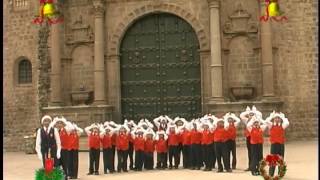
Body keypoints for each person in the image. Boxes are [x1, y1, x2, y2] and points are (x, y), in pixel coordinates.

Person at [265, 111, 289, 176]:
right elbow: (266, 121)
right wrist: (271, 116)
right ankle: (271, 173)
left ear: (280, 119)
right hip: (274, 144)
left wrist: (282, 117)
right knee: (272, 159)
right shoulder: (271, 125)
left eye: (278, 118)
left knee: (281, 159)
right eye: (276, 118)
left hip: (281, 144)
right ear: (274, 119)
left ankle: (280, 173)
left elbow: (287, 123)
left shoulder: (282, 126)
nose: (277, 119)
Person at [240, 106, 262, 171]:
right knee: (250, 152)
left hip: (256, 139)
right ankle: (251, 166)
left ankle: (259, 166)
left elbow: (260, 114)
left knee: (257, 153)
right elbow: (241, 115)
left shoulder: (257, 121)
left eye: (252, 115)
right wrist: (248, 112)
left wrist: (254, 112)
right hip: (249, 138)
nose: (251, 116)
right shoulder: (246, 120)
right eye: (250, 115)